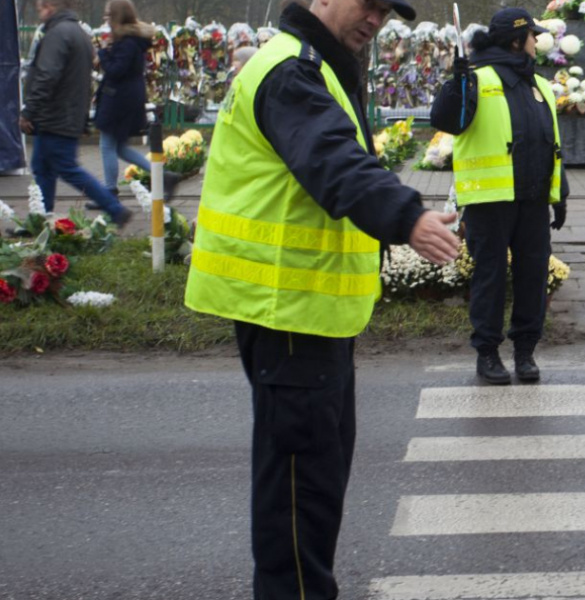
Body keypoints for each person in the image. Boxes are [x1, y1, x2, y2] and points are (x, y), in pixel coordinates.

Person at [182, 0, 461, 597]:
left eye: (386, 10)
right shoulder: (294, 71)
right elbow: (333, 160)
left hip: (308, 312)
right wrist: (406, 216)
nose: (376, 19)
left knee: (316, 477)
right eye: (368, 4)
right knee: (299, 491)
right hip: (288, 311)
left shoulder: (316, 64)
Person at [429, 7, 570, 386]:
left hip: (533, 201)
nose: (537, 41)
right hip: (490, 202)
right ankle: (487, 354)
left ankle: (525, 352)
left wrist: (560, 192)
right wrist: (455, 84)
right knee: (489, 279)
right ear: (516, 41)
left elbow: (552, 144)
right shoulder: (477, 78)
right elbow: (446, 120)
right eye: (532, 35)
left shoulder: (539, 85)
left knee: (532, 278)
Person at [20, 0, 132, 227]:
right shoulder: (78, 33)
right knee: (42, 167)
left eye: (41, 7)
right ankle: (41, 220)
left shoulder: (58, 34)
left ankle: (115, 209)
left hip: (54, 115)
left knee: (66, 168)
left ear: (51, 6)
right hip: (65, 114)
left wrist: (29, 111)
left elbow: (47, 76)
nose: (39, 13)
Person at [93, 0, 180, 204]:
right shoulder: (130, 40)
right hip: (124, 97)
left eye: (108, 15)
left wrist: (103, 54)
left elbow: (116, 71)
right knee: (119, 147)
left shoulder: (127, 42)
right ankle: (164, 175)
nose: (106, 19)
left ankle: (109, 192)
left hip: (119, 99)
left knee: (107, 145)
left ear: (117, 17)